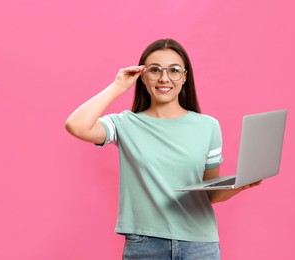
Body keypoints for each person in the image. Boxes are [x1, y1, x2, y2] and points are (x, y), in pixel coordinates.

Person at [65, 38, 260, 259]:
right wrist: (117, 86)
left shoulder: (209, 126)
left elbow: (210, 194)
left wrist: (239, 185)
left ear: (185, 77)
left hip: (200, 246)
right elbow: (76, 125)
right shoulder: (125, 124)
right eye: (155, 70)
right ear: (143, 76)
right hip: (145, 245)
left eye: (174, 70)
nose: (164, 78)